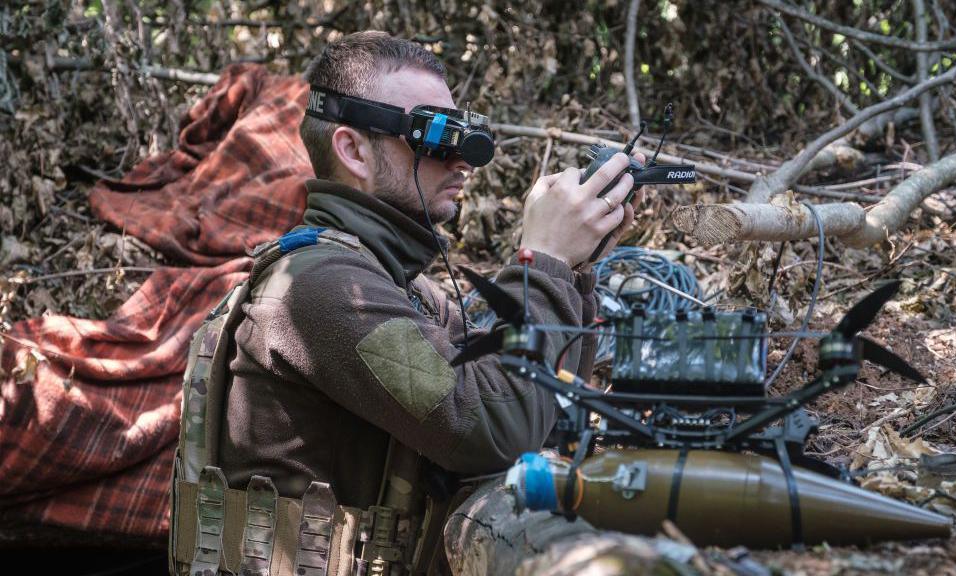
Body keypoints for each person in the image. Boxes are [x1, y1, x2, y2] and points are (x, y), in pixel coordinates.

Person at [169, 31, 642, 576]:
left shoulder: (401, 289)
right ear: (352, 151)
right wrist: (545, 262)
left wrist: (574, 268)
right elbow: (493, 429)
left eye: (464, 132)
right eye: (437, 134)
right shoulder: (318, 289)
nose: (465, 161)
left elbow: (540, 410)